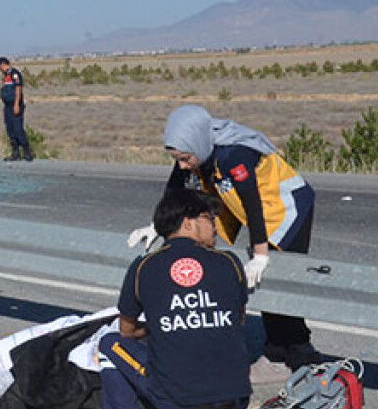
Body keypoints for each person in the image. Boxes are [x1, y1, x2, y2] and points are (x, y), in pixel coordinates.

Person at [128, 104, 320, 370]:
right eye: (178, 160)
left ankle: (300, 348)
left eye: (185, 159)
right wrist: (156, 226)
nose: (183, 165)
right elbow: (174, 191)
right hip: (253, 207)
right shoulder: (197, 149)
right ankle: (276, 347)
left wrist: (261, 254)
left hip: (286, 207)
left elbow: (254, 203)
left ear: (196, 146)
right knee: (264, 277)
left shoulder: (234, 155)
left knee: (282, 275)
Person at [101, 189, 251, 409]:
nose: (216, 226)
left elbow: (127, 331)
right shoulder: (230, 262)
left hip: (179, 407)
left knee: (110, 345)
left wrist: (161, 327)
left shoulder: (144, 267)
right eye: (210, 218)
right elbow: (236, 321)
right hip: (237, 402)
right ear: (188, 222)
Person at [0, 57, 33, 161]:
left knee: (18, 129)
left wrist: (16, 104)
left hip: (15, 105)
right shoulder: (6, 77)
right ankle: (15, 153)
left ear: (4, 65)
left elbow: (18, 89)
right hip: (7, 106)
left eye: (0, 67)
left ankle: (27, 152)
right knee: (10, 130)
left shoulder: (14, 74)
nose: (0, 70)